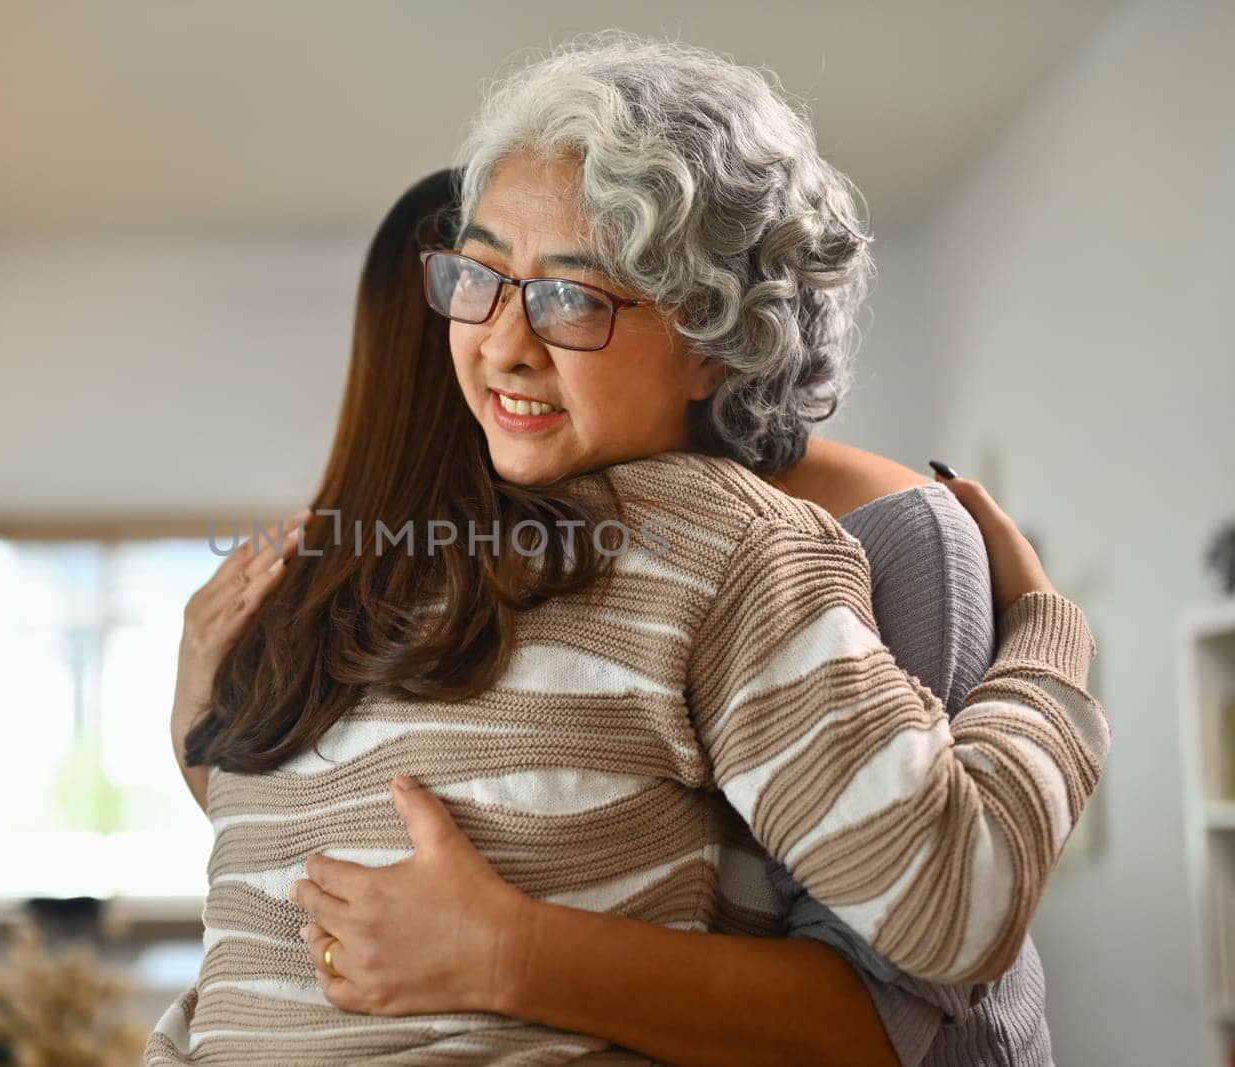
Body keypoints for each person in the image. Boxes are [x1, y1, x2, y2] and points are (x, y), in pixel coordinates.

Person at [152, 35, 1106, 1066]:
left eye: (573, 296)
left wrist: (1043, 644)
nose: (503, 342)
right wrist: (210, 731)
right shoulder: (444, 573)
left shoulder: (745, 543)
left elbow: (945, 935)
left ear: (714, 336)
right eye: (477, 275)